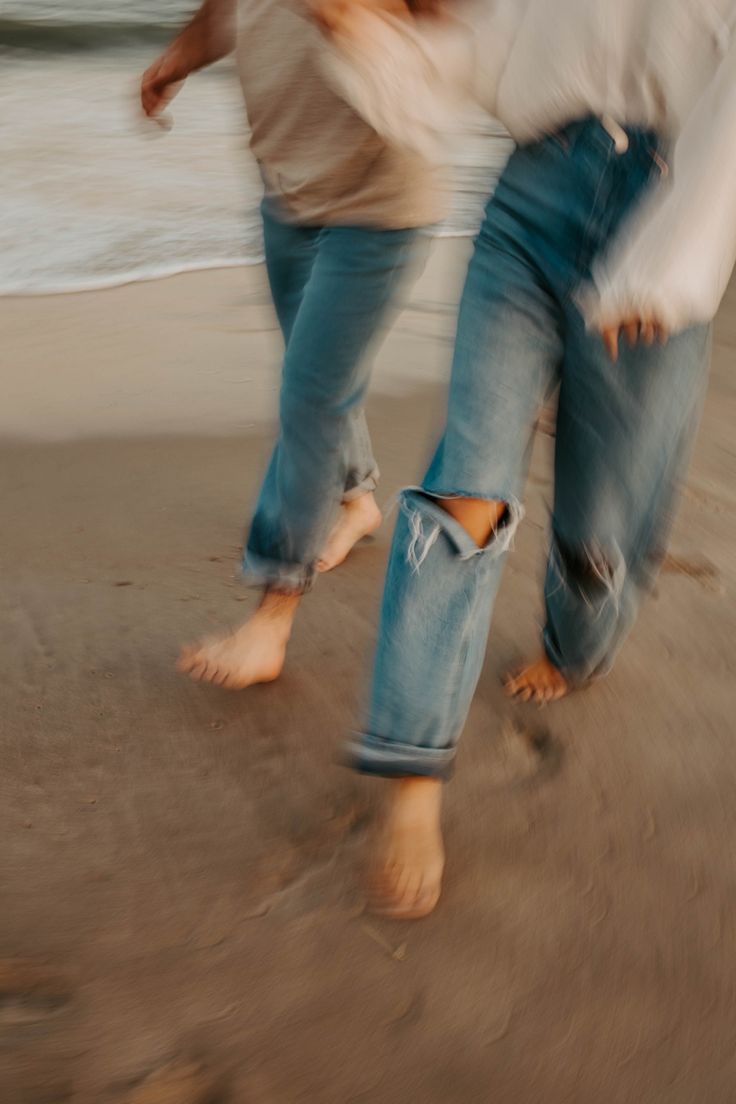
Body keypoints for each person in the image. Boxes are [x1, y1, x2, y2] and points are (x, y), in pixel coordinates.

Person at [314, 0, 736, 917]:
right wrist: (373, 33)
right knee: (465, 483)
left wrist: (674, 264)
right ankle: (412, 774)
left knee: (604, 514)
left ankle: (576, 644)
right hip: (528, 204)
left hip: (667, 201)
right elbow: (483, 49)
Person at [141, 0, 442, 688]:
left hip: (379, 208)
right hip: (287, 196)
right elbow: (229, 10)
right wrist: (174, 62)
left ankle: (271, 618)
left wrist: (353, 19)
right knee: (318, 371)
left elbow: (442, 48)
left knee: (311, 396)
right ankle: (356, 498)